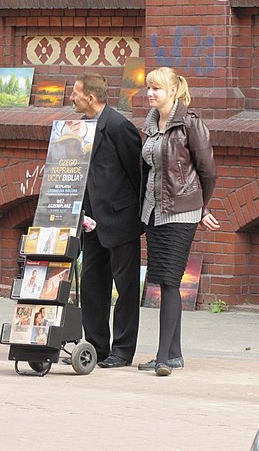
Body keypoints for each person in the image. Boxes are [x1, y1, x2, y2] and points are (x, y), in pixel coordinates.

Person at [137, 67, 219, 376]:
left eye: (156, 89)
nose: (150, 94)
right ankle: (174, 354)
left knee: (170, 282)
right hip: (153, 213)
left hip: (180, 213)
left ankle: (162, 358)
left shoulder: (189, 124)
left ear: (173, 91)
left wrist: (201, 207)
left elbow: (208, 171)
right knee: (162, 280)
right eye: (148, 88)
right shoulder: (151, 124)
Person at [69, 73, 143, 368]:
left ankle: (123, 350)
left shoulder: (118, 126)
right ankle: (97, 346)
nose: (71, 97)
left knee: (125, 289)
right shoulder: (79, 126)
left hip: (120, 219)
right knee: (91, 284)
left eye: (75, 93)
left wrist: (135, 216)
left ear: (90, 97)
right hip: (91, 220)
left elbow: (137, 173)